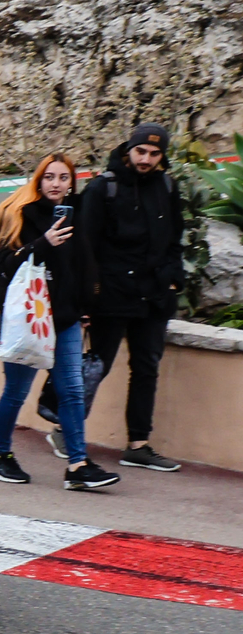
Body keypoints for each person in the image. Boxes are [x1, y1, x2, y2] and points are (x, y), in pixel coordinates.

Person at [0, 153, 116, 492]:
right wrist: (43, 243)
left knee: (71, 392)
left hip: (66, 319)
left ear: (72, 182)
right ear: (39, 181)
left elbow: (84, 264)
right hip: (29, 320)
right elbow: (3, 263)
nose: (56, 184)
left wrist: (86, 307)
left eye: (63, 178)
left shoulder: (76, 217)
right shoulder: (21, 214)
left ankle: (78, 464)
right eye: (49, 178)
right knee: (16, 392)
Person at [68, 120, 189, 472]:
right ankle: (64, 429)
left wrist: (173, 281)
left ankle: (138, 443)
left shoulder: (167, 186)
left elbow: (174, 239)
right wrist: (86, 300)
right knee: (95, 366)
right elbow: (84, 247)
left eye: (154, 153)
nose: (146, 159)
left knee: (146, 368)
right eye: (141, 151)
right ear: (128, 149)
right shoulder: (102, 189)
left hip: (153, 295)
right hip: (112, 295)